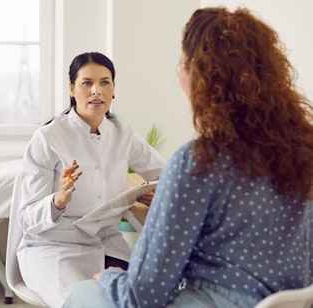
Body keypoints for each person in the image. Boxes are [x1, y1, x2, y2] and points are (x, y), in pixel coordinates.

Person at [62, 7, 313, 308]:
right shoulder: (302, 151)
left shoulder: (199, 161)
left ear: (203, 78)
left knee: (83, 293)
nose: (179, 74)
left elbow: (144, 294)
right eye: (87, 83)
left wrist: (109, 279)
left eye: (182, 64)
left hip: (210, 302)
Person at [11, 51, 167, 307]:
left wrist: (161, 192)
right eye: (87, 83)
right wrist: (58, 200)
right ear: (72, 89)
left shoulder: (122, 133)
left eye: (105, 82)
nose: (97, 91)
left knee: (142, 299)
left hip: (105, 244)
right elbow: (26, 218)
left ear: (114, 89)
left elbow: (167, 173)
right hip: (53, 248)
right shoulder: (48, 137)